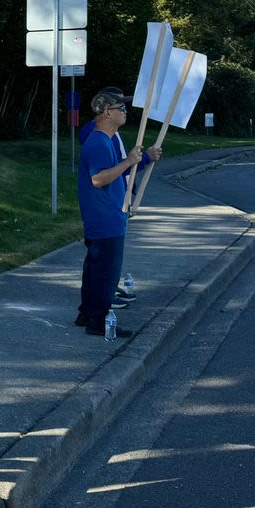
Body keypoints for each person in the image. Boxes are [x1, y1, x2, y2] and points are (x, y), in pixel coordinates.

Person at [75, 88, 161, 337]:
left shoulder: (106, 140)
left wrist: (140, 160)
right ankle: (98, 323)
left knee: (94, 269)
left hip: (107, 215)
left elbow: (116, 173)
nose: (125, 112)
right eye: (120, 108)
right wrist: (129, 161)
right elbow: (98, 179)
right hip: (105, 217)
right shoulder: (99, 142)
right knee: (106, 274)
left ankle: (86, 313)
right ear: (106, 113)